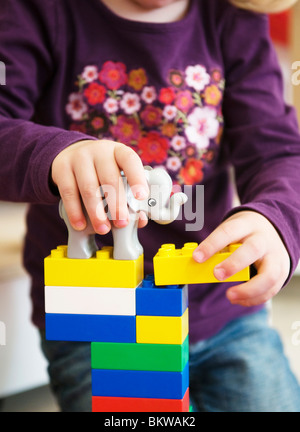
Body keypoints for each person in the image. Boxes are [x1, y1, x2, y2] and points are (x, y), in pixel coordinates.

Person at [1, 0, 300, 412]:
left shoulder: (234, 18)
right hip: (98, 318)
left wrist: (277, 218)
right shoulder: (36, 11)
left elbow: (276, 151)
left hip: (221, 309)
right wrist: (55, 156)